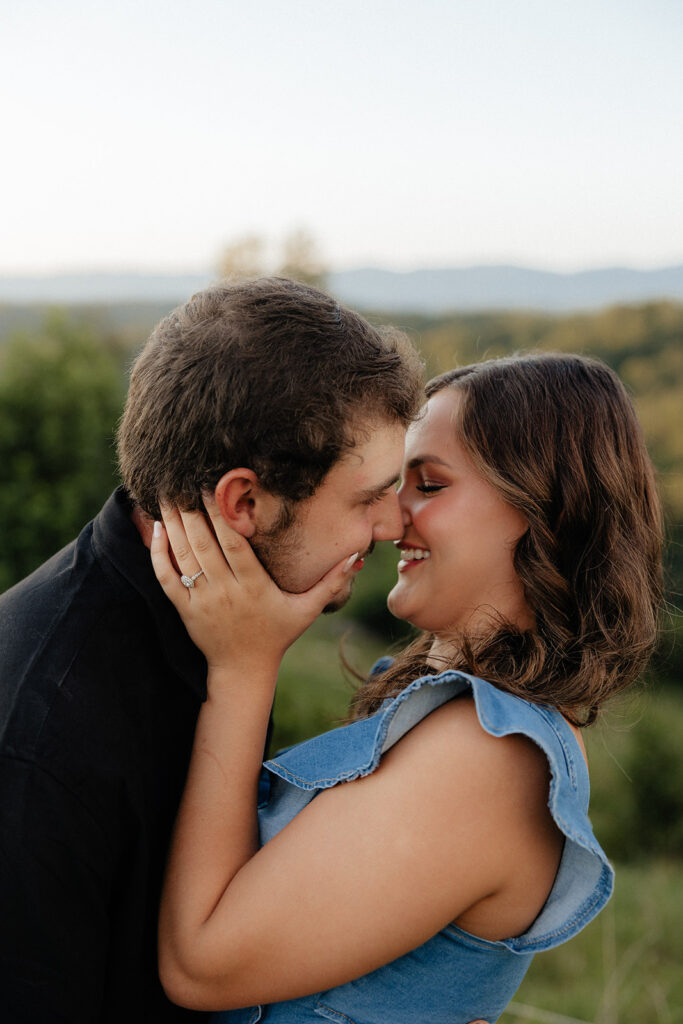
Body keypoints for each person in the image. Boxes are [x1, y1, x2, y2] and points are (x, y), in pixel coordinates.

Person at [150, 353, 663, 1024]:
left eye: (429, 484)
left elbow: (203, 966)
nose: (391, 519)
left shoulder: (489, 759)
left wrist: (243, 668)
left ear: (542, 510)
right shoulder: (453, 723)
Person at [0, 278, 426, 1022]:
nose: (393, 524)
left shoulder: (226, 635)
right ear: (243, 505)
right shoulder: (41, 739)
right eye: (365, 498)